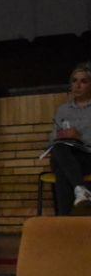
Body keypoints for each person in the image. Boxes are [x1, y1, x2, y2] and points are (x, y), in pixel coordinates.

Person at [47, 62, 91, 214]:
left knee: (62, 170)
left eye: (83, 81)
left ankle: (63, 219)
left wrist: (80, 137)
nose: (78, 85)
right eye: (74, 81)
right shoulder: (63, 110)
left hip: (87, 156)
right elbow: (51, 139)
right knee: (59, 147)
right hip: (65, 154)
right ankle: (81, 189)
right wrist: (59, 136)